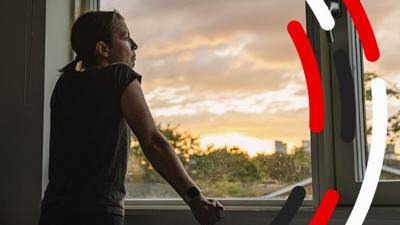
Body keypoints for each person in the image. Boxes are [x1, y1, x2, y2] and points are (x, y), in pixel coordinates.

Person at [38, 10, 224, 225]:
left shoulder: (64, 84)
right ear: (103, 49)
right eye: (125, 37)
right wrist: (195, 199)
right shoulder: (119, 75)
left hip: (53, 213)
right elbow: (153, 142)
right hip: (97, 214)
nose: (134, 45)